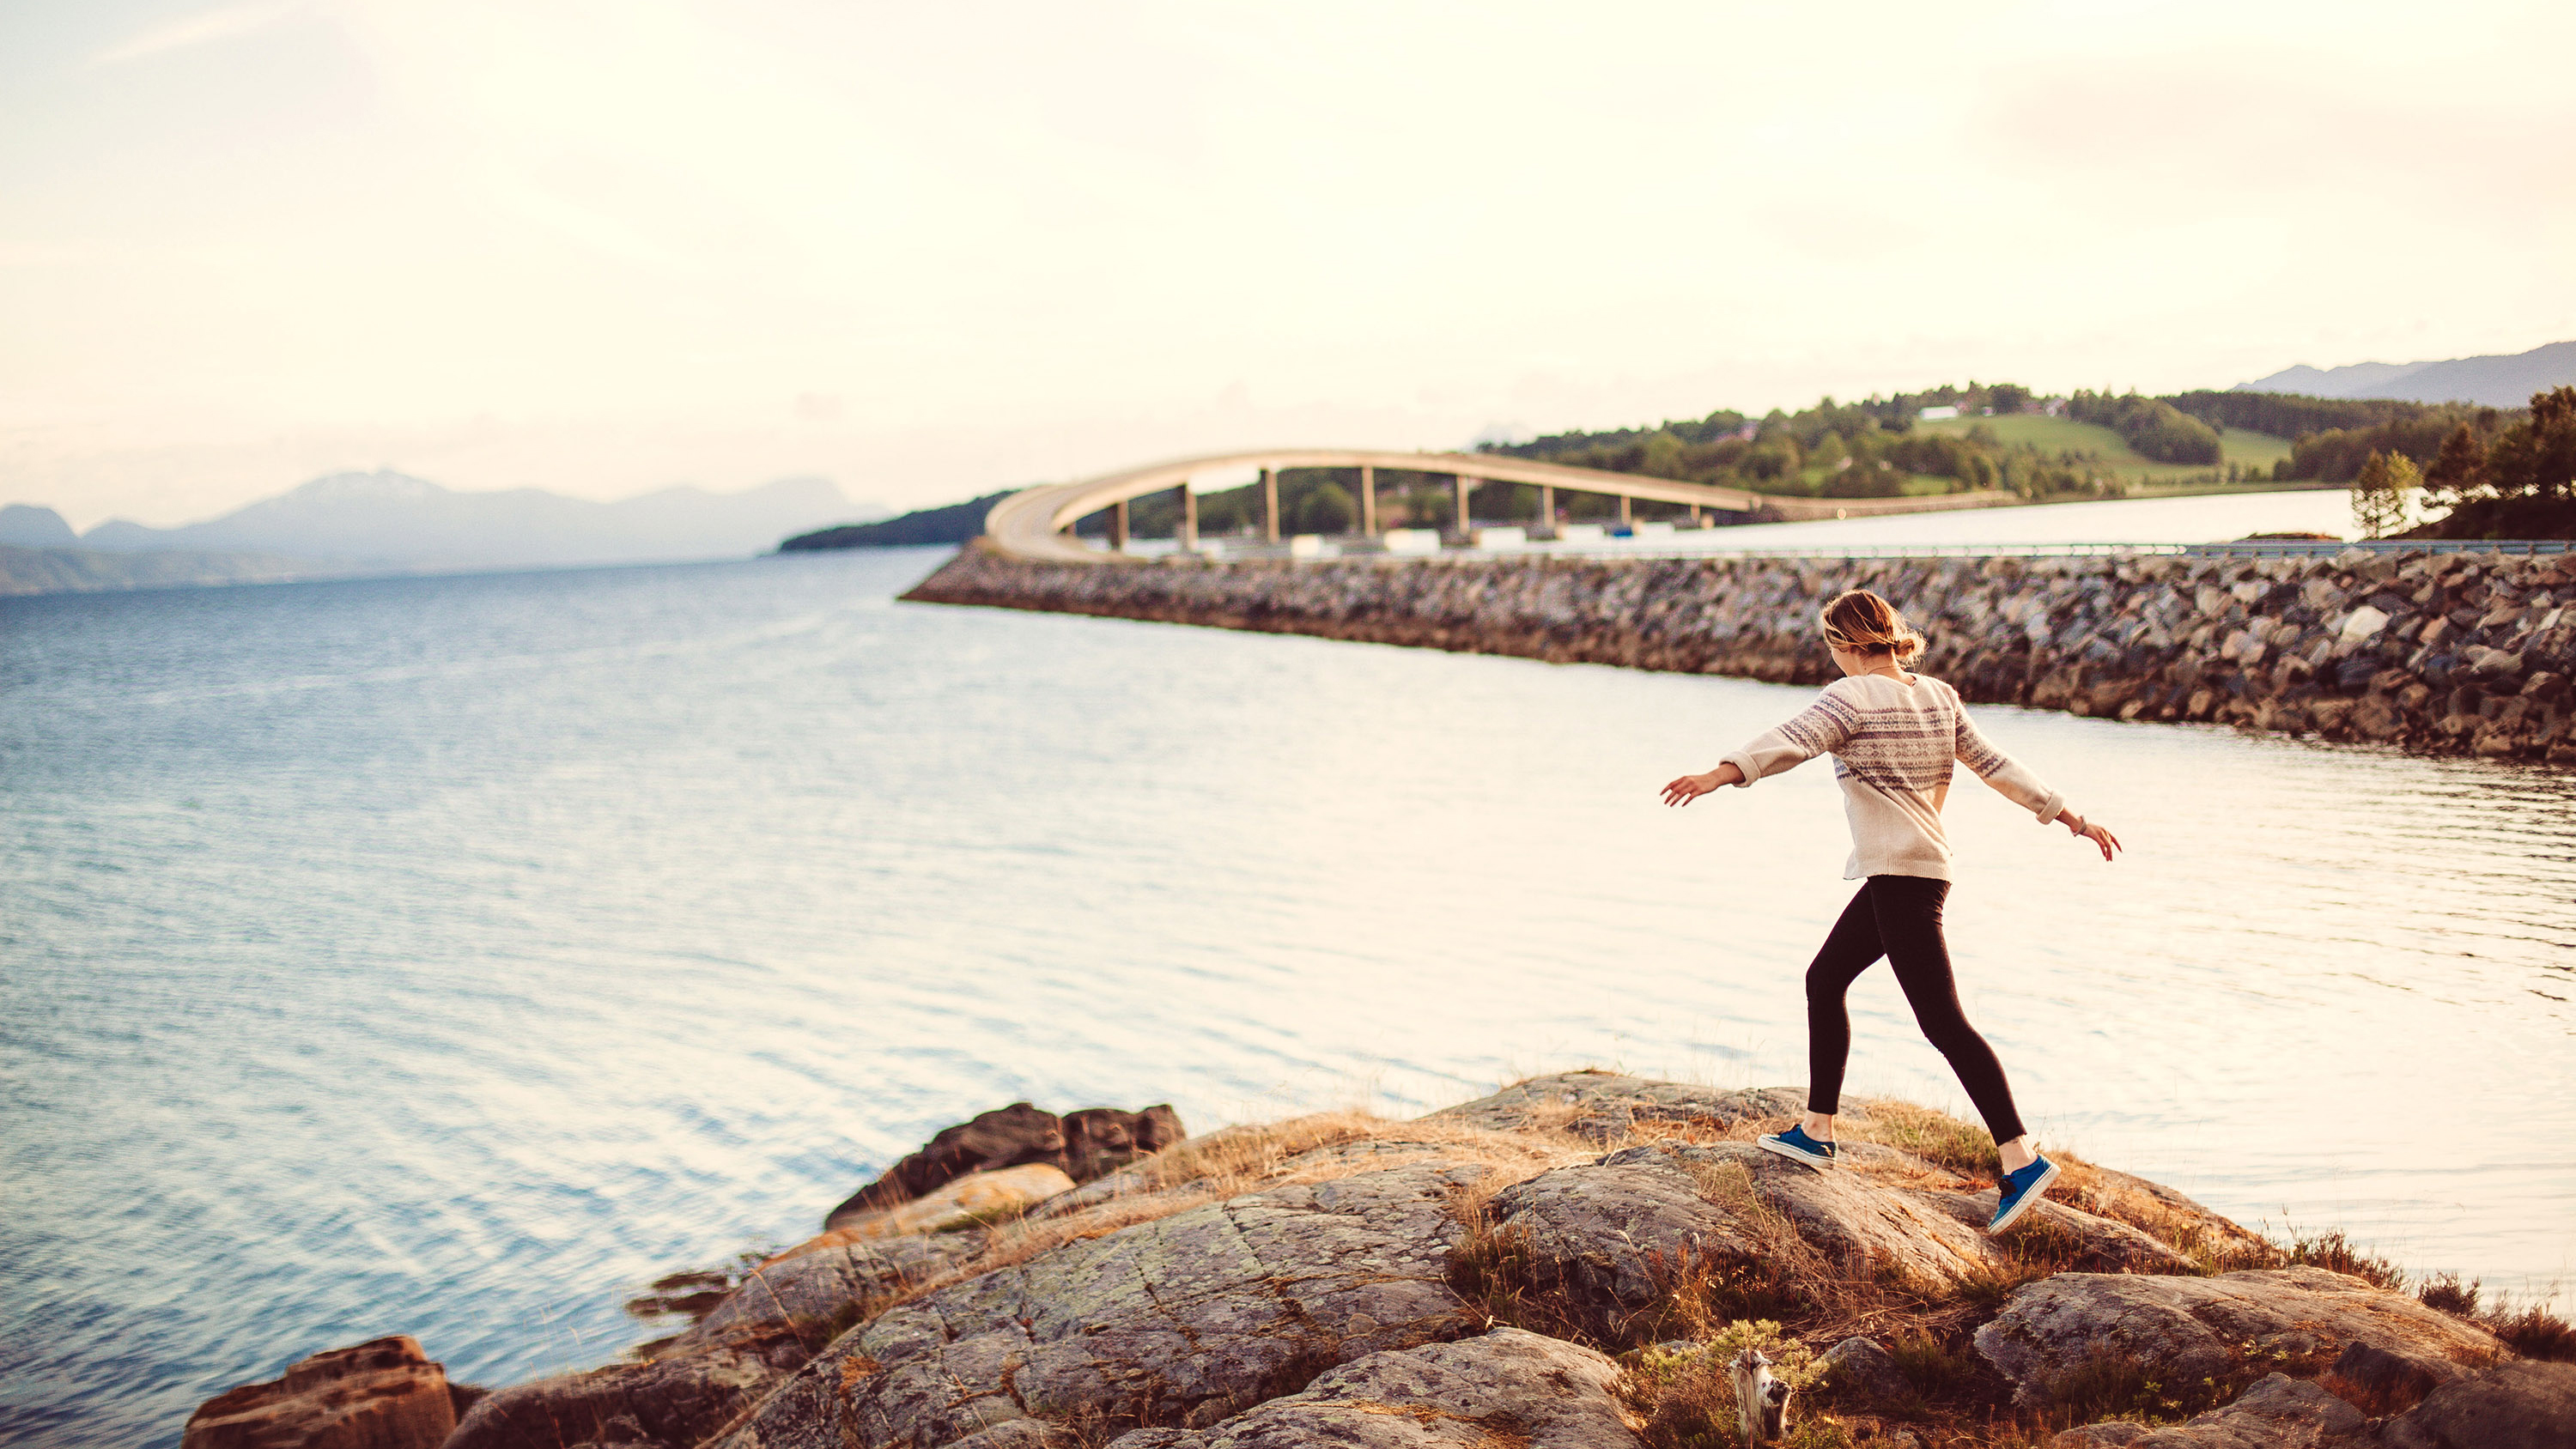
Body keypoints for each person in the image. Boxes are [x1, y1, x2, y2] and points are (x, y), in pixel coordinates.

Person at [1659, 589, 2119, 1233]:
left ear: (1845, 645)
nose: (1835, 659)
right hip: (1911, 873)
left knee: (1943, 1023)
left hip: (1904, 877)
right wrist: (2069, 816)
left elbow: (1791, 742)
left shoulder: (1848, 697)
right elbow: (1997, 766)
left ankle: (2020, 1158)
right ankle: (1816, 1129)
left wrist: (1721, 773)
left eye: (1833, 648)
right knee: (1826, 979)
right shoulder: (1938, 696)